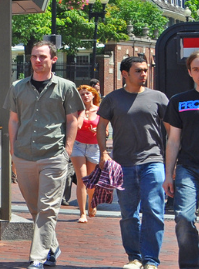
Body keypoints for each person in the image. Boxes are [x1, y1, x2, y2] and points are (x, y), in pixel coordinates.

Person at [5, 41, 83, 269]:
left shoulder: (66, 87)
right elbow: (13, 120)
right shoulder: (17, 87)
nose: (37, 61)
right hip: (24, 155)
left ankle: (36, 258)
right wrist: (13, 151)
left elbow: (73, 120)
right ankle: (53, 246)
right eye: (34, 57)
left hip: (53, 154)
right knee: (35, 208)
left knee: (48, 208)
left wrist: (67, 150)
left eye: (42, 57)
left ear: (53, 60)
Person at [98, 54, 168, 269]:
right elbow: (101, 126)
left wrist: (171, 161)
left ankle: (150, 260)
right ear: (125, 74)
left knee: (154, 211)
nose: (143, 74)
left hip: (153, 161)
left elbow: (170, 131)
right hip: (123, 164)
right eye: (139, 70)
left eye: (145, 70)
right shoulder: (112, 99)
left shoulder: (158, 98)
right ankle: (134, 257)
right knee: (128, 215)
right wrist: (103, 152)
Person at [165, 51, 199, 269]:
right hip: (188, 168)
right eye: (196, 69)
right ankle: (191, 265)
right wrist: (168, 174)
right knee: (184, 217)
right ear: (189, 72)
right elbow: (173, 141)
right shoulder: (180, 101)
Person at [71, 85, 101, 223]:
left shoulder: (100, 111)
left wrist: (97, 131)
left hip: (94, 147)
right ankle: (82, 213)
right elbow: (74, 127)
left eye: (87, 93)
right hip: (78, 146)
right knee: (82, 179)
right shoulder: (76, 111)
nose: (85, 96)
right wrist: (82, 113)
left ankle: (91, 204)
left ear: (93, 95)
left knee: (91, 182)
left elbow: (106, 132)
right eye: (82, 94)